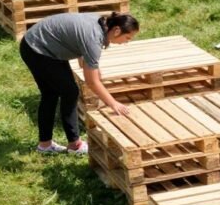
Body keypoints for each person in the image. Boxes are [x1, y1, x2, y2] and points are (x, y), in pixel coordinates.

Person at [19, 12, 140, 155]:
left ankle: (45, 145)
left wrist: (91, 65)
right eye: (127, 38)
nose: (127, 42)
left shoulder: (101, 23)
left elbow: (80, 43)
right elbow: (92, 81)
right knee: (70, 92)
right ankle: (75, 145)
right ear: (117, 30)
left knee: (50, 94)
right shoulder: (94, 38)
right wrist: (113, 103)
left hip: (37, 42)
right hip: (39, 49)